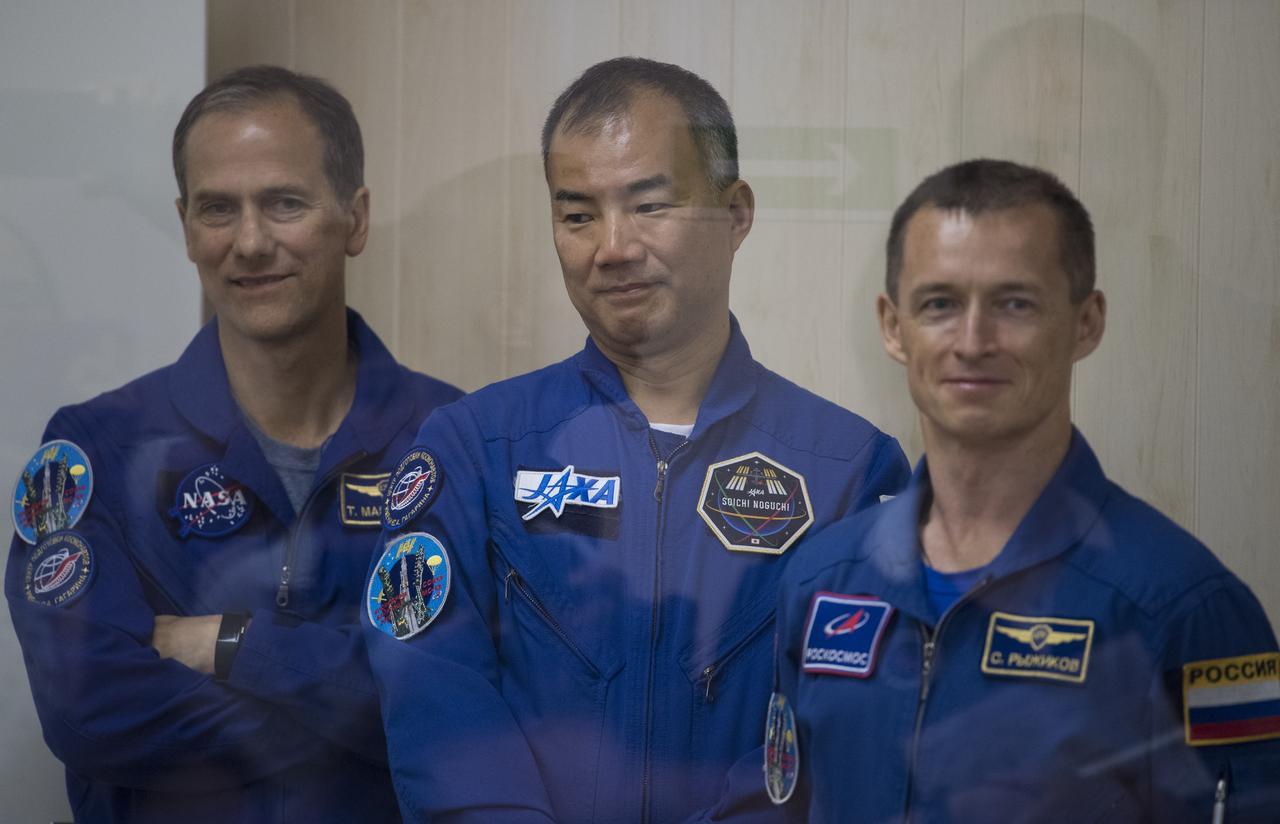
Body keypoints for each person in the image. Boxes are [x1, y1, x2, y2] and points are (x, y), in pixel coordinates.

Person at [363, 57, 909, 823]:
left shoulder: (851, 469)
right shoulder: (473, 448)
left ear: (736, 212)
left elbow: (848, 728)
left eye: (648, 206)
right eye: (578, 214)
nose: (611, 247)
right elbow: (433, 693)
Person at [706, 159, 1280, 822]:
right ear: (894, 326)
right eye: (940, 304)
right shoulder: (818, 581)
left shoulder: (1189, 607)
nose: (973, 342)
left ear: (1087, 322)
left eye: (1015, 304)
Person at [5, 65, 461, 822]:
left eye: (285, 203)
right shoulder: (93, 452)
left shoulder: (454, 439)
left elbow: (463, 698)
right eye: (219, 208)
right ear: (186, 225)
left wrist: (230, 645)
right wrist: (350, 700)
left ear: (354, 218)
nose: (250, 242)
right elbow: (89, 711)